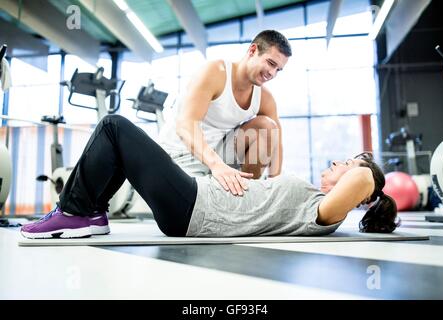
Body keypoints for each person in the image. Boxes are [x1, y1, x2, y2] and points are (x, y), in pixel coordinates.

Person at [21, 115, 399, 239]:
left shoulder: (323, 213)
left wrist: (365, 173)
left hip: (196, 208)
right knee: (121, 149)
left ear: (358, 193)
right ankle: (90, 213)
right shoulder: (315, 198)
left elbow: (364, 182)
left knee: (113, 127)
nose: (337, 164)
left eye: (344, 165)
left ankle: (74, 212)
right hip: (196, 197)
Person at [158, 30, 292, 196]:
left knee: (267, 127)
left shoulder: (264, 98)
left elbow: (276, 142)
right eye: (271, 63)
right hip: (180, 154)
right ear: (252, 51)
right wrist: (216, 165)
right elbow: (185, 126)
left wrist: (276, 185)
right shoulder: (216, 72)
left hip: (218, 157)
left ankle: (246, 196)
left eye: (278, 69)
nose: (272, 73)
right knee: (190, 209)